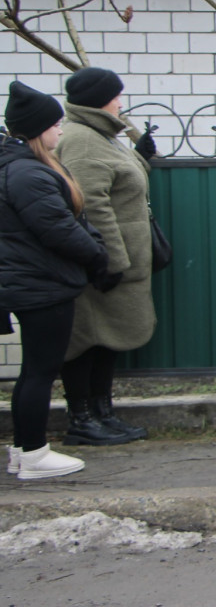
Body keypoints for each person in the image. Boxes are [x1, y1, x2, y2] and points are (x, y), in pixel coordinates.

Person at [2, 82, 111, 479]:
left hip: (35, 281)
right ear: (37, 129)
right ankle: (33, 455)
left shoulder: (22, 167)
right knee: (41, 371)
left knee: (34, 370)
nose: (61, 129)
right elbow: (60, 229)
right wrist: (99, 257)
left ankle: (23, 451)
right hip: (42, 284)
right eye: (55, 123)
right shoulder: (27, 173)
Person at [56, 67, 157, 446]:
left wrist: (141, 157)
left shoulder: (102, 135)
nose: (120, 101)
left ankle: (104, 413)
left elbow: (121, 179)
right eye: (115, 95)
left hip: (118, 261)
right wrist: (110, 260)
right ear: (100, 99)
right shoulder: (82, 140)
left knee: (107, 341)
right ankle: (82, 419)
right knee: (87, 341)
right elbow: (92, 204)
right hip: (104, 264)